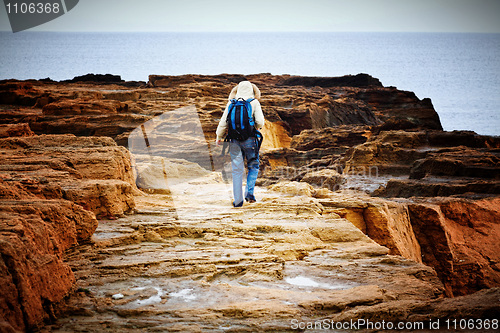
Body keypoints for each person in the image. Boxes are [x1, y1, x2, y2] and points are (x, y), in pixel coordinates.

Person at [216, 81, 265, 207]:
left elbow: (223, 122)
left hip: (233, 141)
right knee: (253, 166)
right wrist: (257, 127)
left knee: (237, 170)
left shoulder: (231, 103)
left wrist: (219, 136)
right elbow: (260, 121)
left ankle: (238, 201)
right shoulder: (254, 102)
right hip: (250, 139)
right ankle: (249, 193)